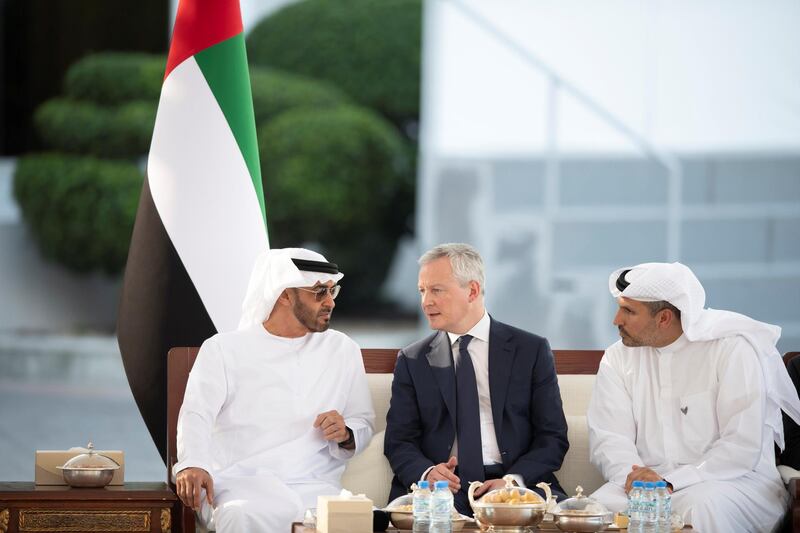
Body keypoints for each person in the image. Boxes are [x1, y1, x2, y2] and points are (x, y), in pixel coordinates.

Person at [587, 262, 800, 533]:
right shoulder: (617, 357)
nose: (616, 320)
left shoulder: (731, 349)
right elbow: (609, 437)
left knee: (701, 508)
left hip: (732, 482)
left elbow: (740, 448)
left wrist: (670, 481)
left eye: (628, 311)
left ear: (664, 318)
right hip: (643, 486)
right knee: (595, 508)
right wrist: (641, 482)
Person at [173, 248, 375, 532]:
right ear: (284, 294)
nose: (329, 301)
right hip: (240, 483)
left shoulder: (343, 349)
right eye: (319, 292)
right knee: (240, 516)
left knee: (367, 518)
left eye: (332, 291)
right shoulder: (224, 349)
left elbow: (362, 421)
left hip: (315, 485)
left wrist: (346, 433)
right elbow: (197, 413)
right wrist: (193, 463)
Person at [384, 243, 568, 516]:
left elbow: (553, 438)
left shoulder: (530, 350)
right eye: (422, 291)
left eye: (436, 290)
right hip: (441, 492)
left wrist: (511, 481)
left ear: (471, 290)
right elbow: (399, 440)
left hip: (515, 484)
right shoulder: (413, 360)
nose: (425, 302)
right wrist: (429, 472)